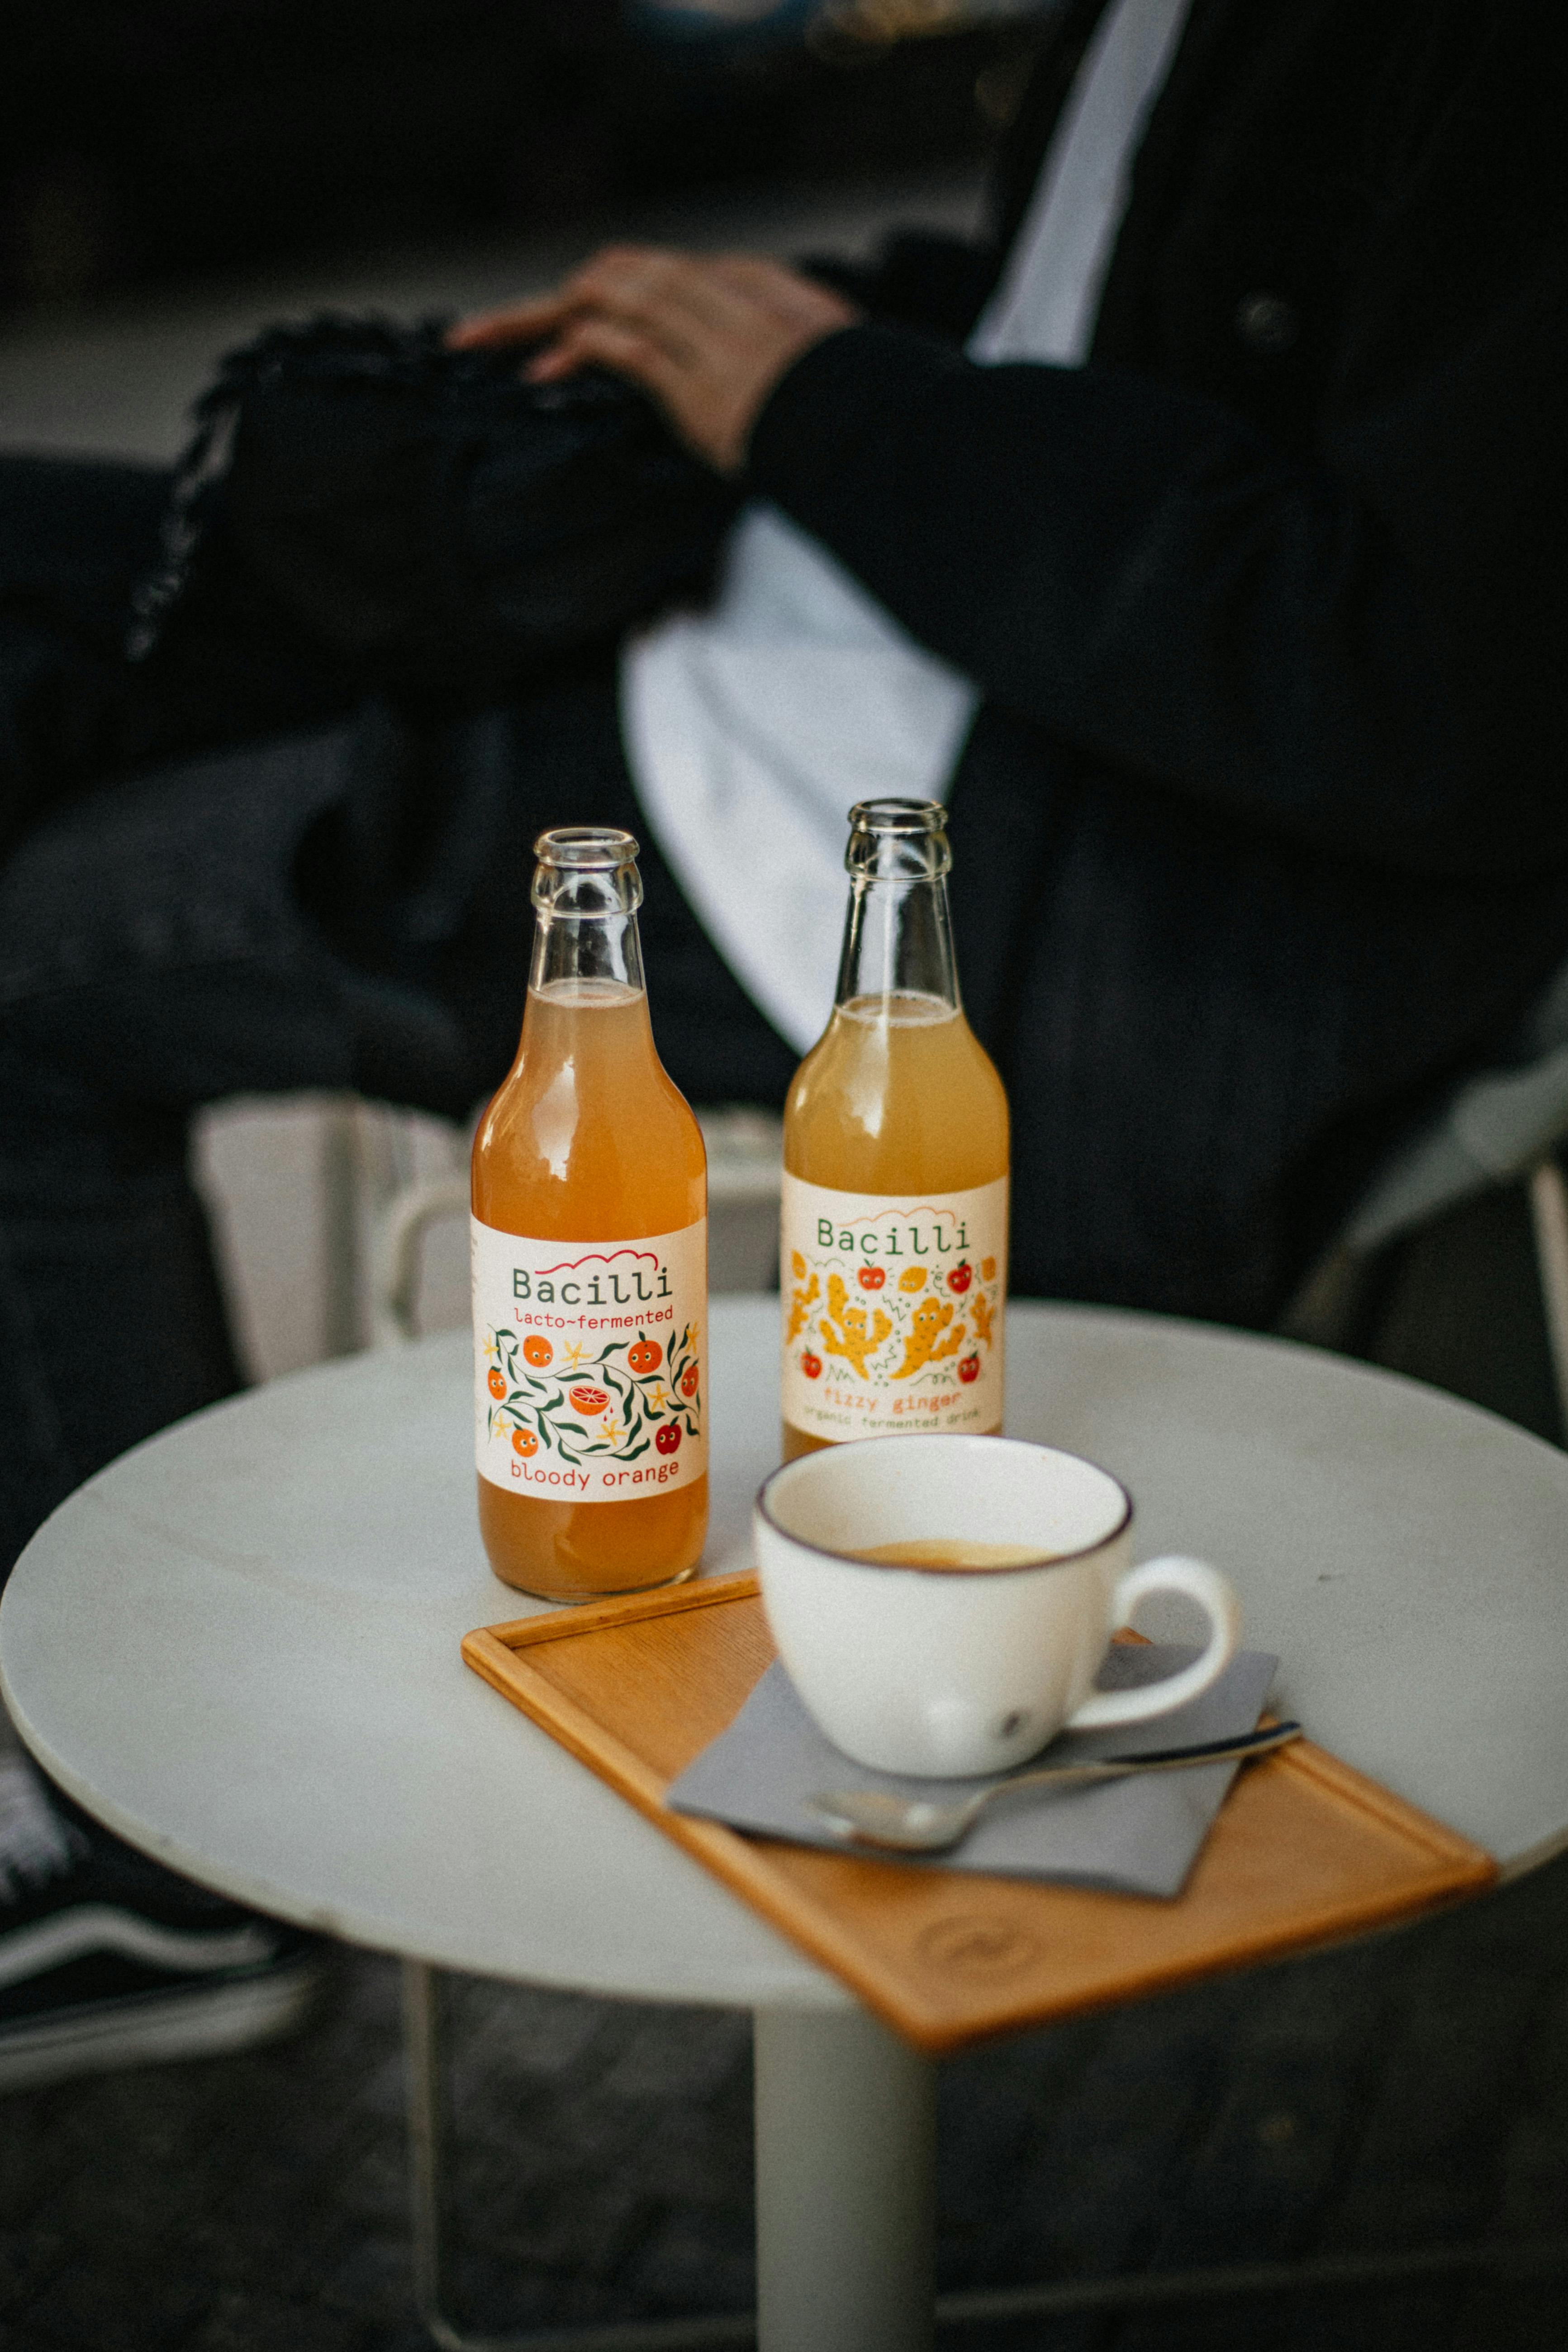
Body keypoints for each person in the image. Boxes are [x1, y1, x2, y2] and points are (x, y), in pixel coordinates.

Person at [1, 0, 1563, 2080]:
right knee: (82, 573)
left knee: (39, 950)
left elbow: (1419, 679)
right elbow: (1104, 333)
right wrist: (755, 324)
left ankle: (143, 1857)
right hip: (793, 664)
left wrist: (824, 398)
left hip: (1006, 839)